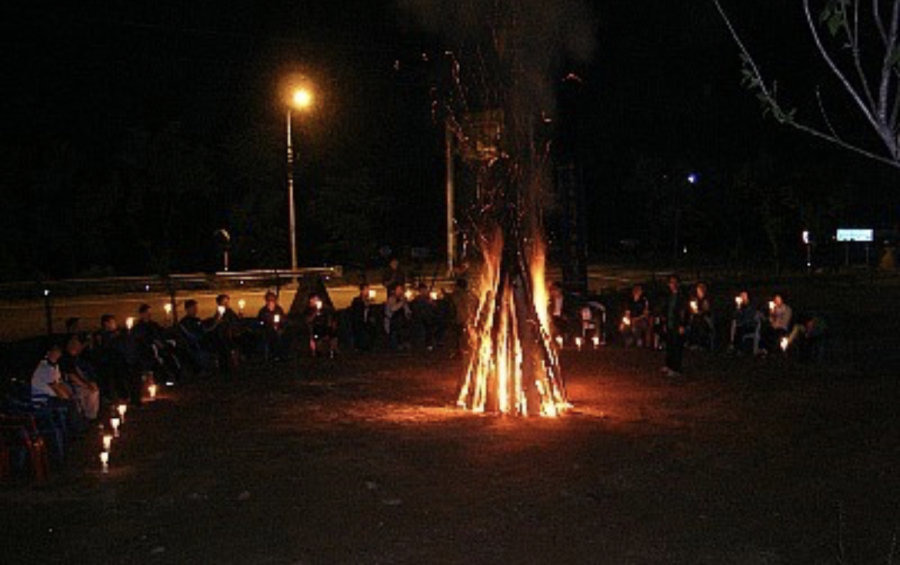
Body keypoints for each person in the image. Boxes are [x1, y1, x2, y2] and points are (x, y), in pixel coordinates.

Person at [94, 314, 141, 405]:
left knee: (132, 379)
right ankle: (123, 397)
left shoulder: (120, 333)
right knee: (120, 380)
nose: (114, 324)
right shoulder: (103, 336)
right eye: (112, 322)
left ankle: (132, 398)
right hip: (113, 363)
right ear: (106, 324)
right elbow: (105, 349)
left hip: (126, 360)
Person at [59, 338, 100, 420]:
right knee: (85, 393)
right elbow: (71, 376)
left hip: (82, 383)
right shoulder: (66, 359)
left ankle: (91, 416)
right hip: (71, 385)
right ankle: (84, 416)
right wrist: (86, 385)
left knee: (94, 391)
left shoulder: (80, 359)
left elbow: (88, 373)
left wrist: (91, 383)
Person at [178, 300, 216, 373]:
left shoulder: (197, 320)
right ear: (188, 309)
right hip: (194, 345)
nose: (196, 310)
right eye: (193, 308)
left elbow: (204, 329)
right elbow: (190, 334)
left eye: (196, 308)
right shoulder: (185, 322)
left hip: (202, 343)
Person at [663, 275, 688, 378]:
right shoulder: (669, 296)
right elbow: (667, 310)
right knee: (669, 345)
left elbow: (683, 311)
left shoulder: (681, 297)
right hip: (670, 324)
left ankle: (676, 368)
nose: (672, 285)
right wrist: (665, 323)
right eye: (671, 283)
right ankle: (669, 365)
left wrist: (682, 325)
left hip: (677, 324)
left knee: (676, 346)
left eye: (674, 283)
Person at [446, 278, 477, 358]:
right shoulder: (471, 295)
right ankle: (465, 350)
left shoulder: (457, 295)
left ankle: (459, 351)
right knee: (465, 336)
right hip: (469, 319)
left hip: (459, 319)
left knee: (457, 336)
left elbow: (453, 306)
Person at [212, 294, 242, 372]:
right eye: (224, 302)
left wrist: (239, 317)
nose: (226, 304)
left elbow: (236, 321)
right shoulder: (220, 313)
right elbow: (216, 325)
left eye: (227, 302)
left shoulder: (230, 311)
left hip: (233, 335)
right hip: (223, 337)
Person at [303, 294, 339, 358]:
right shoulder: (308, 310)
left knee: (332, 333)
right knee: (315, 335)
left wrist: (331, 324)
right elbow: (308, 320)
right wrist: (316, 312)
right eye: (314, 300)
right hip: (314, 328)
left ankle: (332, 350)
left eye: (317, 300)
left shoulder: (325, 310)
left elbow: (330, 317)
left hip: (324, 327)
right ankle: (316, 351)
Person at [729, 291, 763, 355]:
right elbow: (735, 317)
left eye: (744, 296)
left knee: (740, 330)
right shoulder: (739, 306)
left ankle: (737, 348)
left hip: (750, 325)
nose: (742, 298)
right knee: (735, 325)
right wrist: (738, 308)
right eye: (741, 296)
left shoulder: (751, 307)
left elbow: (750, 316)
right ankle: (734, 345)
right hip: (742, 325)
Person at [257, 291, 287, 361]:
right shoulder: (263, 311)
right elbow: (260, 321)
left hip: (278, 331)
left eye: (272, 300)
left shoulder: (278, 310)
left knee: (279, 338)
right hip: (267, 331)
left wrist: (279, 325)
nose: (270, 302)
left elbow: (283, 320)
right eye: (269, 300)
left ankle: (278, 355)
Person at [686, 283, 714, 351]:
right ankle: (694, 343)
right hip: (696, 317)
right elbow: (693, 308)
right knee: (693, 323)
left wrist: (700, 312)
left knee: (701, 325)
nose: (698, 292)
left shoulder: (706, 300)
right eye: (697, 291)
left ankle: (702, 344)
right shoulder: (695, 299)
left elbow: (707, 310)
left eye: (700, 291)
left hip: (705, 318)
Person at [409, 283, 437, 350]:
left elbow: (434, 306)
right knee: (421, 333)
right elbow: (414, 308)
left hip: (428, 319)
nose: (424, 291)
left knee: (429, 332)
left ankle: (428, 346)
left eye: (425, 290)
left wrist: (431, 303)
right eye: (423, 290)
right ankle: (421, 346)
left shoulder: (428, 299)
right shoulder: (417, 299)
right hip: (420, 319)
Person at [349, 284, 377, 351]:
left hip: (366, 321)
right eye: (366, 290)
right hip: (359, 321)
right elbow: (356, 311)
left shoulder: (368, 300)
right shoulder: (357, 300)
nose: (367, 291)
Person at [384, 283, 411, 350]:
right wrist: (402, 303)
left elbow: (407, 310)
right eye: (399, 289)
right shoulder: (391, 299)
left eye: (401, 290)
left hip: (402, 323)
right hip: (393, 323)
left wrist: (408, 314)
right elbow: (393, 309)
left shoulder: (402, 300)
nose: (400, 291)